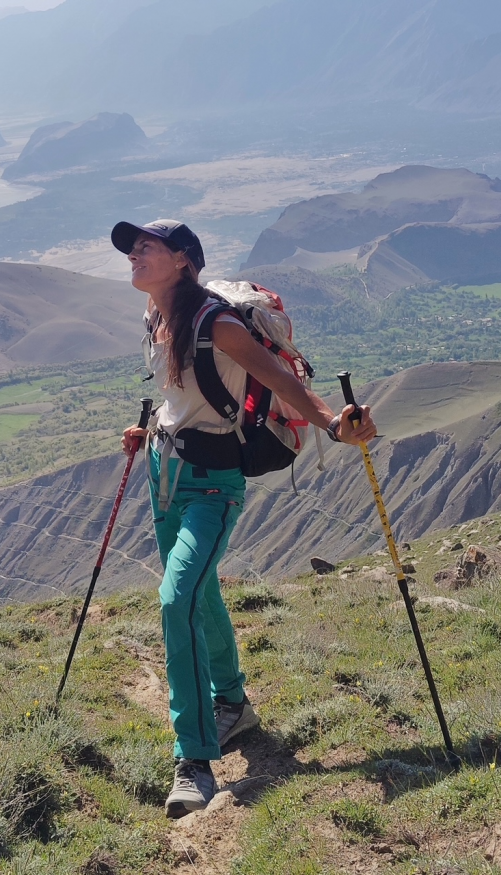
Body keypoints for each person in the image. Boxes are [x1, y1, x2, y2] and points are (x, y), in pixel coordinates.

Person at [111, 218, 377, 818]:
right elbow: (183, 398)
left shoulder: (221, 326)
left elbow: (283, 381)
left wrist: (336, 424)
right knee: (200, 597)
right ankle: (232, 704)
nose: (134, 255)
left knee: (176, 599)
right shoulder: (157, 318)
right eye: (131, 248)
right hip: (166, 472)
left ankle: (195, 759)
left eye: (146, 247)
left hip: (212, 486)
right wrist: (149, 430)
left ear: (183, 260)